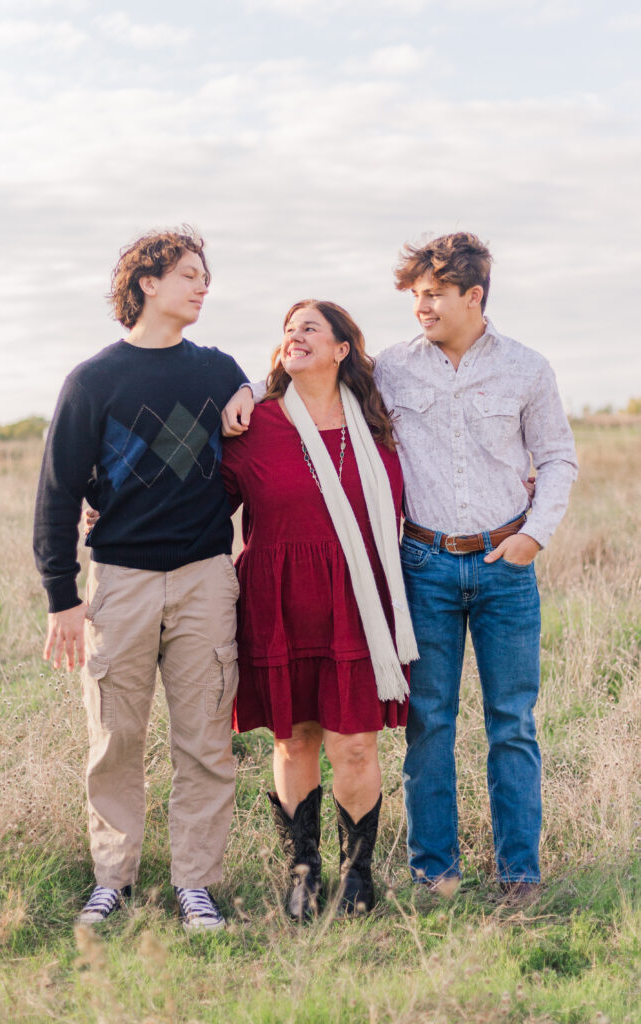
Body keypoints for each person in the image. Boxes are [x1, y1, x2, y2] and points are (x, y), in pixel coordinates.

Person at [222, 232, 577, 902]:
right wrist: (242, 384)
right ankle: (432, 873)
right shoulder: (392, 371)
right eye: (415, 295)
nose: (422, 306)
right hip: (422, 564)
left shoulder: (527, 369)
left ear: (472, 296)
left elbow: (556, 456)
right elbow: (308, 376)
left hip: (506, 564)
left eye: (434, 294)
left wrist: (535, 535)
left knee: (512, 723)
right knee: (428, 725)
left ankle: (518, 876)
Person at [33, 226, 248, 930]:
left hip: (204, 578)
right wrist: (62, 600)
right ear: (148, 283)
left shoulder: (218, 371)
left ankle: (196, 885)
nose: (202, 285)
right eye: (189, 273)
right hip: (119, 582)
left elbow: (255, 454)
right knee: (114, 740)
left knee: (204, 741)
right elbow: (58, 493)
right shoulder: (94, 380)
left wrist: (247, 386)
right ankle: (112, 880)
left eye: (204, 275)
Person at [219, 300, 417, 919]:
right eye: (287, 329)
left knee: (355, 745)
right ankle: (302, 871)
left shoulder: (381, 423)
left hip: (357, 605)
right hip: (277, 602)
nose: (294, 336)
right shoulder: (254, 425)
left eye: (310, 328)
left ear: (341, 350)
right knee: (294, 740)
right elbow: (197, 500)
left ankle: (356, 874)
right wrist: (103, 510)